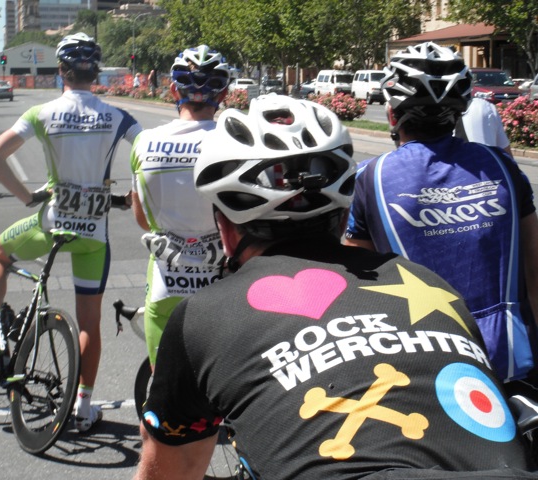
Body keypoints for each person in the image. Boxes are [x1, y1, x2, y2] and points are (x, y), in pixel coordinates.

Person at [135, 94, 538, 479]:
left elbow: (174, 469)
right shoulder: (428, 283)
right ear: (344, 215)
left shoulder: (202, 317)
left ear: (223, 227)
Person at [0, 32, 142, 433]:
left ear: (61, 71)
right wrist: (132, 197)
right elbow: (148, 156)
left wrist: (27, 196)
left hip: (52, 224)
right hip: (94, 235)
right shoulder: (119, 117)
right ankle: (83, 408)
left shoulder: (42, 113)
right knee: (89, 324)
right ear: (96, 73)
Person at [344, 42, 538, 390]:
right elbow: (534, 267)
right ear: (459, 112)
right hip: (512, 357)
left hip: (424, 367)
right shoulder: (502, 166)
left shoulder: (369, 178)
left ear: (392, 115)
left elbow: (357, 285)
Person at [130, 45, 230, 368]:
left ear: (174, 90)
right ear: (223, 94)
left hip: (165, 283)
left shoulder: (144, 142)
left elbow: (142, 219)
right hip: (223, 283)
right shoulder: (235, 141)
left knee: (163, 391)